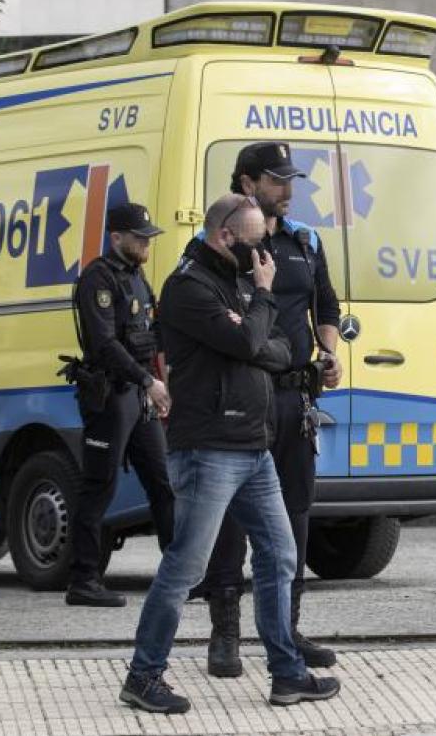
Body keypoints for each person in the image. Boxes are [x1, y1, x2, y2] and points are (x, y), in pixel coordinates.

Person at [119, 193, 340, 714]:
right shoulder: (189, 288)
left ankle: (286, 674)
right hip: (208, 450)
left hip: (253, 447)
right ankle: (143, 676)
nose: (265, 256)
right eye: (257, 243)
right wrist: (258, 313)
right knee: (185, 568)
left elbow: (282, 345)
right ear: (225, 237)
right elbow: (249, 345)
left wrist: (253, 329)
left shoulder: (236, 283)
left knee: (280, 555)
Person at [196, 141, 341, 678]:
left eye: (290, 179)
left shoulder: (305, 240)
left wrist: (328, 351)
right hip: (239, 398)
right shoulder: (219, 244)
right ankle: (225, 634)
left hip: (293, 396)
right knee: (233, 518)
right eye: (277, 179)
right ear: (247, 183)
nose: (288, 188)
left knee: (295, 516)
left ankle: (286, 629)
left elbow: (325, 303)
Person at [64, 203, 174, 608]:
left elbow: (152, 335)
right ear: (116, 238)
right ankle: (84, 580)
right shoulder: (99, 278)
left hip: (138, 396)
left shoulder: (138, 278)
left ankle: (180, 574)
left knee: (163, 484)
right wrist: (148, 381)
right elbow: (104, 344)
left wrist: (160, 382)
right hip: (110, 396)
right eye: (140, 237)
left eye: (148, 236)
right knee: (98, 486)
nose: (147, 243)